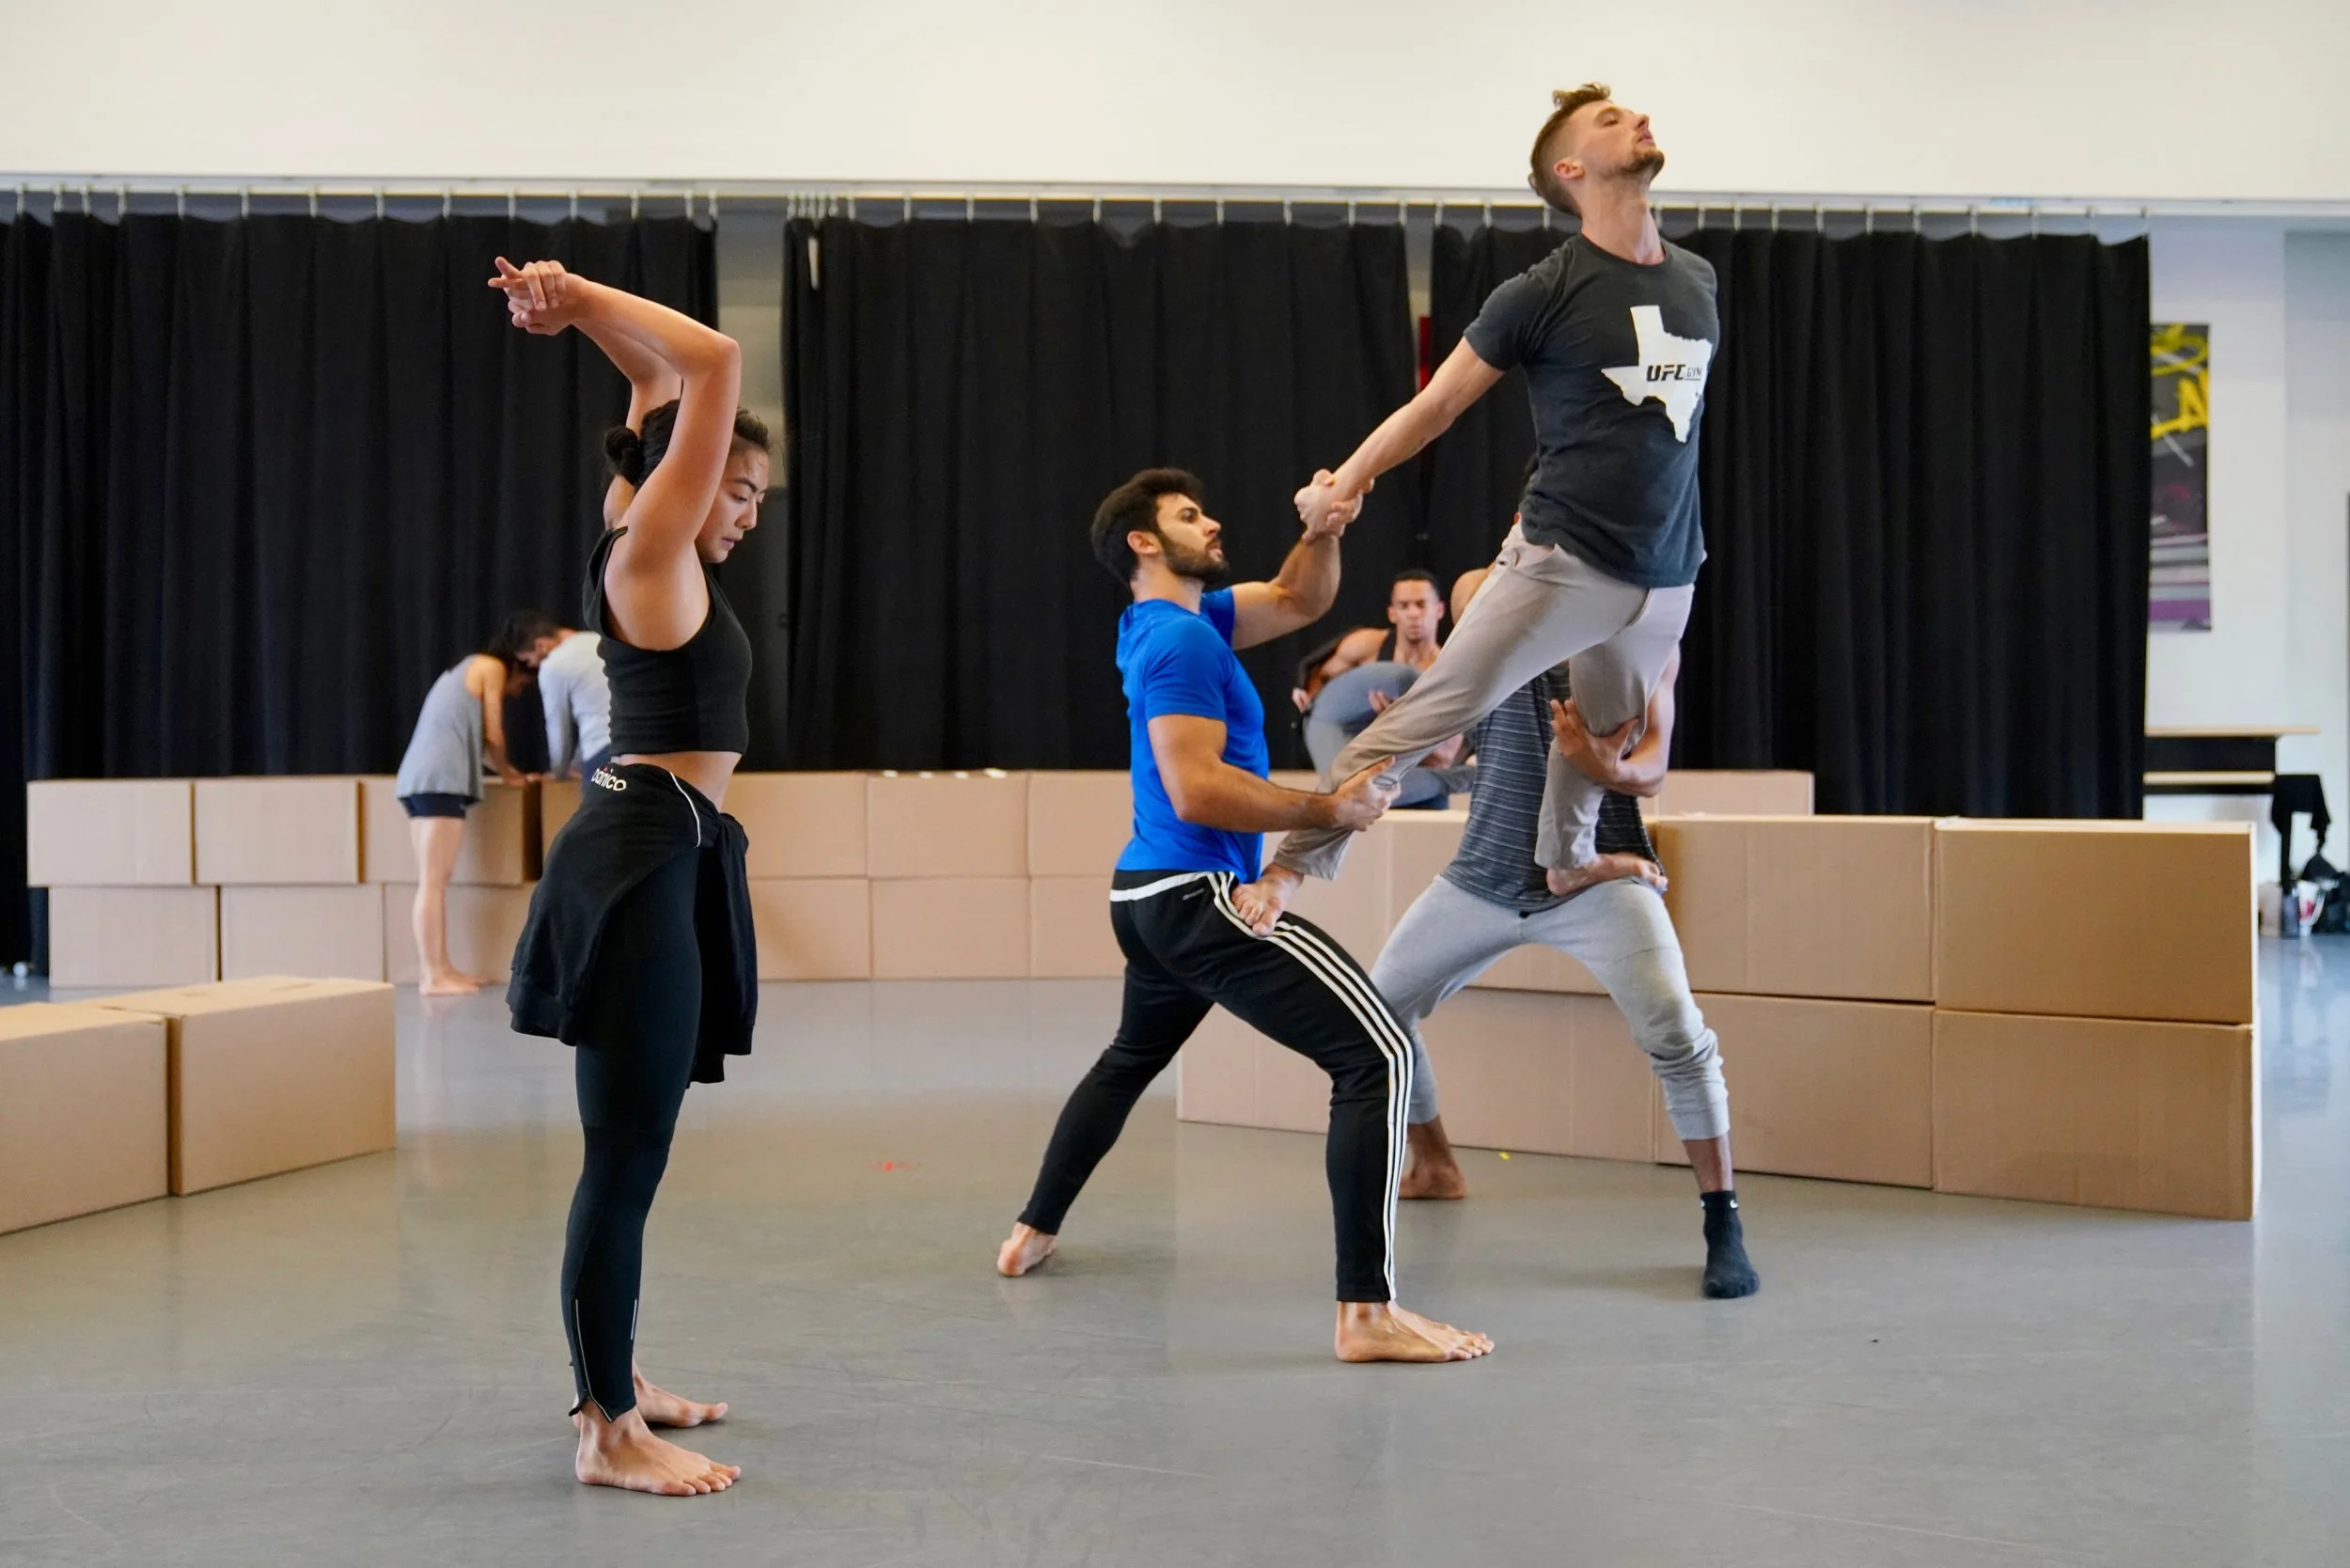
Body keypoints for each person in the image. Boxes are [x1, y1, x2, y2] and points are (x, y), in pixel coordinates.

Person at [995, 468, 1493, 1367]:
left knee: (1126, 1061)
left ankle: (1033, 1229)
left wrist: (1327, 521)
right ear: (1143, 543)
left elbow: (1303, 593)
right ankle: (1367, 1313)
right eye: (1189, 514)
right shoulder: (1180, 645)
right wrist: (1323, 809)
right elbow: (1197, 789)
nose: (1213, 518)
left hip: (1143, 902)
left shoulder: (1179, 622)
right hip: (1192, 900)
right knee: (1376, 1054)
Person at [1243, 84, 1719, 930]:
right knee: (1425, 716)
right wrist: (1341, 486)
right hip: (1563, 562)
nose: (1637, 117)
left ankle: (1567, 866)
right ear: (1570, 170)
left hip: (1668, 573)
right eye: (1609, 120)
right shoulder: (1543, 291)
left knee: (1599, 733)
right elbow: (1433, 408)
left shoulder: (1696, 278)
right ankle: (1289, 870)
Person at [494, 255, 771, 1497]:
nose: (745, 510)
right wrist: (579, 289)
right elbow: (707, 363)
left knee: (637, 1150)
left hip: (665, 850)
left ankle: (617, 1370)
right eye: (737, 486)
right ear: (684, 479)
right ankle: (607, 1428)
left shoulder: (642, 529)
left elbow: (662, 379)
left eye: (757, 496)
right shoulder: (653, 550)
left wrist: (575, 319)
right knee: (625, 1153)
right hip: (639, 861)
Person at [1367, 591, 1760, 1299]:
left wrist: (1599, 764)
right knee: (1377, 1012)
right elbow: (1459, 744)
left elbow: (1653, 769)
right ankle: (1435, 1166)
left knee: (1676, 1028)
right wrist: (1415, 739)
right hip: (1483, 877)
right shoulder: (1492, 609)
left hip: (1599, 878)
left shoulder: (1645, 646)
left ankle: (1722, 1221)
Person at [393, 611, 557, 996]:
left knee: (432, 881)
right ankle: (433, 976)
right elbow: (495, 733)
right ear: (520, 665)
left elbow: (479, 741)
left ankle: (440, 969)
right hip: (438, 780)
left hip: (420, 778)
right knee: (433, 882)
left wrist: (508, 770)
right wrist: (513, 776)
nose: (514, 693)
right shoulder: (490, 667)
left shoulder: (465, 669)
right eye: (518, 688)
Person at [1291, 570, 1468, 806]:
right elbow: (1321, 674)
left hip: (1413, 772)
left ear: (1439, 610)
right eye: (1404, 606)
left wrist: (1400, 726)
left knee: (1432, 799)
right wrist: (1308, 694)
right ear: (1392, 613)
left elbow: (1444, 758)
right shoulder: (1367, 646)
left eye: (1421, 605)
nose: (1414, 614)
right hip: (1359, 751)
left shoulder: (1448, 670)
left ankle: (1470, 778)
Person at [538, 626, 613, 779]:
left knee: (598, 802)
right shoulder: (604, 640)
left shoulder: (553, 664)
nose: (533, 665)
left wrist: (559, 771)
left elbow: (557, 725)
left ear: (540, 645)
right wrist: (577, 763)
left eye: (529, 660)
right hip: (639, 742)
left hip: (601, 750)